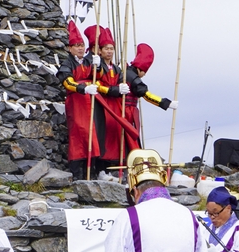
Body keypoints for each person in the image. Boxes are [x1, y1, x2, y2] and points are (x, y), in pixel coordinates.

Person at [83, 25, 136, 178]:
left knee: (114, 137)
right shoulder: (98, 66)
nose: (109, 51)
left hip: (114, 106)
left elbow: (120, 81)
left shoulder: (117, 69)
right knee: (101, 136)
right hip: (101, 104)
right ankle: (99, 169)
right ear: (100, 50)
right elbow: (96, 80)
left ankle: (110, 169)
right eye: (106, 48)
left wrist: (123, 87)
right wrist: (114, 89)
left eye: (111, 48)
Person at [57, 21, 100, 180]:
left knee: (92, 135)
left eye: (82, 45)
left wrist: (99, 66)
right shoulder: (68, 63)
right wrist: (83, 88)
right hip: (76, 102)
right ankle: (77, 174)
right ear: (70, 48)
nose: (81, 48)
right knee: (78, 135)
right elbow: (67, 82)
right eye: (76, 45)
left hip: (90, 103)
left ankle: (92, 172)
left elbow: (100, 79)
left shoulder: (90, 62)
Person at [121, 43, 178, 149]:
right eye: (144, 71)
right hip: (126, 112)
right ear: (140, 68)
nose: (144, 75)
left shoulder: (127, 73)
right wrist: (166, 103)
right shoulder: (132, 76)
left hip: (128, 112)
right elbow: (146, 95)